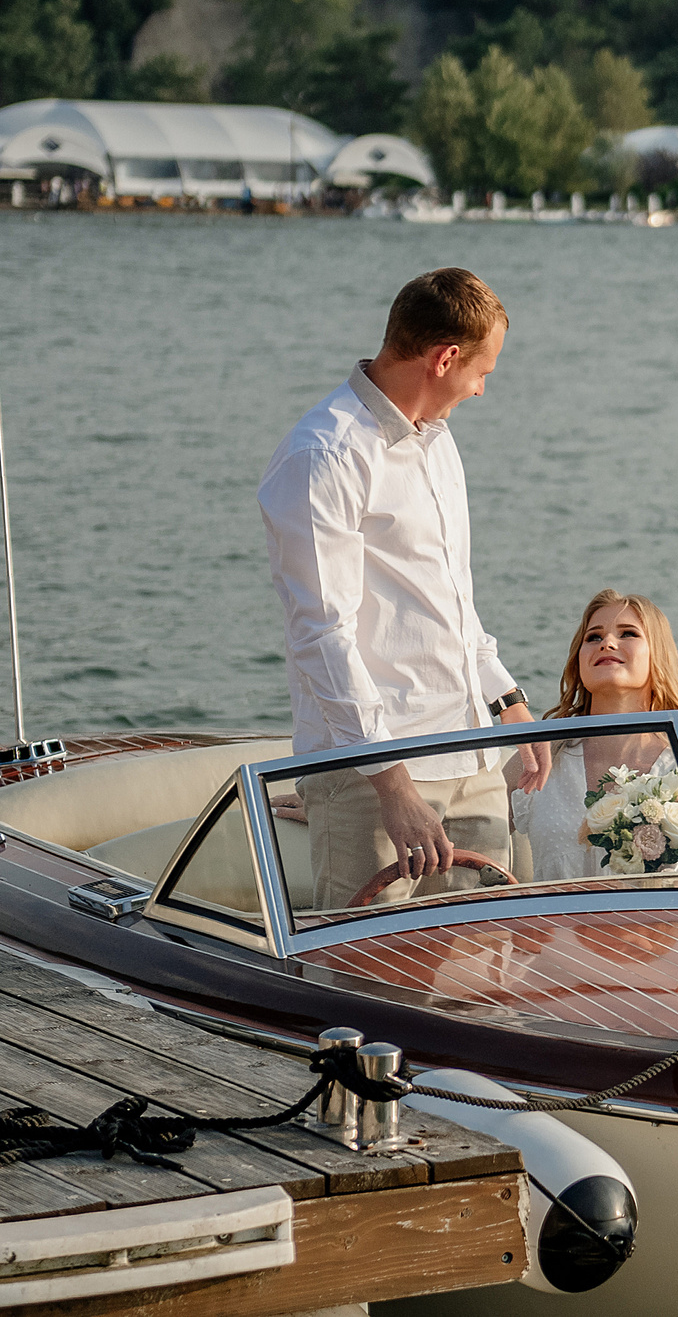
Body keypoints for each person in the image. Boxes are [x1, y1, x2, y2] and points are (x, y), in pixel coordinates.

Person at [259, 267, 550, 909]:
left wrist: (506, 699)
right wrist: (393, 787)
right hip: (376, 775)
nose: (482, 390)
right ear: (445, 358)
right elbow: (321, 637)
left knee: (485, 960)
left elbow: (449, 599)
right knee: (368, 979)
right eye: (484, 372)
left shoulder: (438, 443)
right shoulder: (324, 455)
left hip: (469, 752)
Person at [511, 590, 678, 883]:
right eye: (593, 637)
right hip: (550, 926)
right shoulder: (540, 758)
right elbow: (475, 838)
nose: (607, 643)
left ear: (657, 654)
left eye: (628, 633)